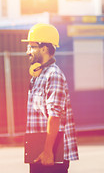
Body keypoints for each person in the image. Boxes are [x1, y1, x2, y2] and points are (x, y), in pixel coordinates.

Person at [22, 23, 79, 173]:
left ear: (44, 48)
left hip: (51, 152)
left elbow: (55, 116)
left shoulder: (53, 75)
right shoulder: (38, 75)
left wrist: (48, 151)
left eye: (31, 46)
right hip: (37, 149)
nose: (27, 51)